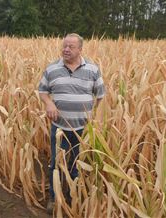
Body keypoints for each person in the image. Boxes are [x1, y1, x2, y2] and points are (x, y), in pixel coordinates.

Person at [38, 33, 105, 213]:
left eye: (71, 47)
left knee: (77, 164)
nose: (66, 49)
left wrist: (97, 119)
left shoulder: (92, 69)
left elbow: (101, 97)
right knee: (56, 164)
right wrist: (49, 103)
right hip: (59, 127)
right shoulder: (52, 69)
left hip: (83, 129)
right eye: (64, 46)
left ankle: (75, 197)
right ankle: (54, 198)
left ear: (80, 50)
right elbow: (42, 91)